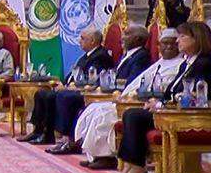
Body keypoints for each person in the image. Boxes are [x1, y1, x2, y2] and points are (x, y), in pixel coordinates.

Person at [112, 21, 211, 173]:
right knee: (131, 114)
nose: (177, 41)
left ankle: (137, 169)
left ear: (197, 39)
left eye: (182, 36)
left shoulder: (204, 64)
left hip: (197, 117)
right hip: (176, 112)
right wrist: (157, 102)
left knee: (135, 116)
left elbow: (192, 97)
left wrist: (160, 106)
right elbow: (171, 92)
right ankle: (131, 166)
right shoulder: (187, 64)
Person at [76, 29, 183, 171]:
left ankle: (107, 156)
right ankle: (94, 154)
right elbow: (138, 82)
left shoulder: (180, 64)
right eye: (164, 43)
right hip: (134, 99)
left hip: (147, 103)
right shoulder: (159, 63)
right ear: (159, 45)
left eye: (172, 44)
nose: (168, 47)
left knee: (105, 114)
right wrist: (126, 94)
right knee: (95, 108)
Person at [46, 25, 152, 155]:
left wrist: (103, 86)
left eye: (126, 34)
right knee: (64, 97)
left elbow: (130, 80)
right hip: (108, 91)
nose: (122, 38)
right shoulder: (128, 55)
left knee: (70, 98)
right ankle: (72, 141)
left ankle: (80, 144)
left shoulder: (141, 56)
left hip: (120, 96)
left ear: (137, 39)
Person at [18, 28, 113, 148]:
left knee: (60, 96)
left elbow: (93, 79)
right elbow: (75, 73)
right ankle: (38, 130)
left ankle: (63, 137)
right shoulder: (87, 55)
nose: (80, 41)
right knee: (41, 93)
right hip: (72, 87)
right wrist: (62, 83)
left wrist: (68, 87)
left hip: (84, 91)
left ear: (93, 41)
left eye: (83, 38)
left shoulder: (100, 56)